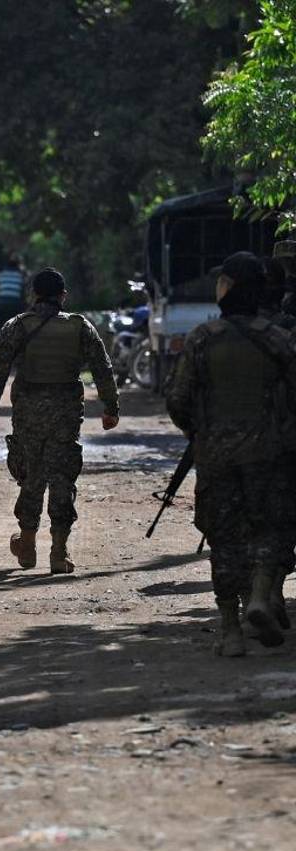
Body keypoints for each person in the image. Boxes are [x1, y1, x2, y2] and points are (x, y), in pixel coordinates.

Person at [167, 252, 296, 656]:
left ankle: (230, 631)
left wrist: (201, 432)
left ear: (229, 288)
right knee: (269, 529)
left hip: (216, 456)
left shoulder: (204, 338)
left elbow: (178, 399)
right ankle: (259, 595)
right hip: (268, 453)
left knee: (224, 540)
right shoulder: (278, 339)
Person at [0, 267, 119, 574]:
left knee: (31, 476)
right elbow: (102, 368)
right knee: (62, 477)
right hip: (66, 414)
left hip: (28, 413)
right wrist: (111, 407)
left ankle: (27, 544)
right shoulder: (80, 327)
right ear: (63, 297)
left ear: (33, 295)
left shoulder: (16, 326)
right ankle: (59, 552)